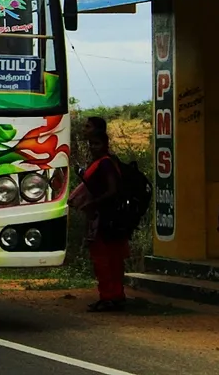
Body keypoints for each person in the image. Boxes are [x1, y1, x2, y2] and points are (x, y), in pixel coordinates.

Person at [75, 116, 129, 312]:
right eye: (91, 144)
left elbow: (112, 190)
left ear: (105, 143)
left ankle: (108, 296)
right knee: (112, 258)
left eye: (96, 143)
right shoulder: (103, 162)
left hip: (104, 217)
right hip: (108, 217)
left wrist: (92, 204)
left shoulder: (105, 163)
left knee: (103, 259)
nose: (93, 147)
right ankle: (115, 295)